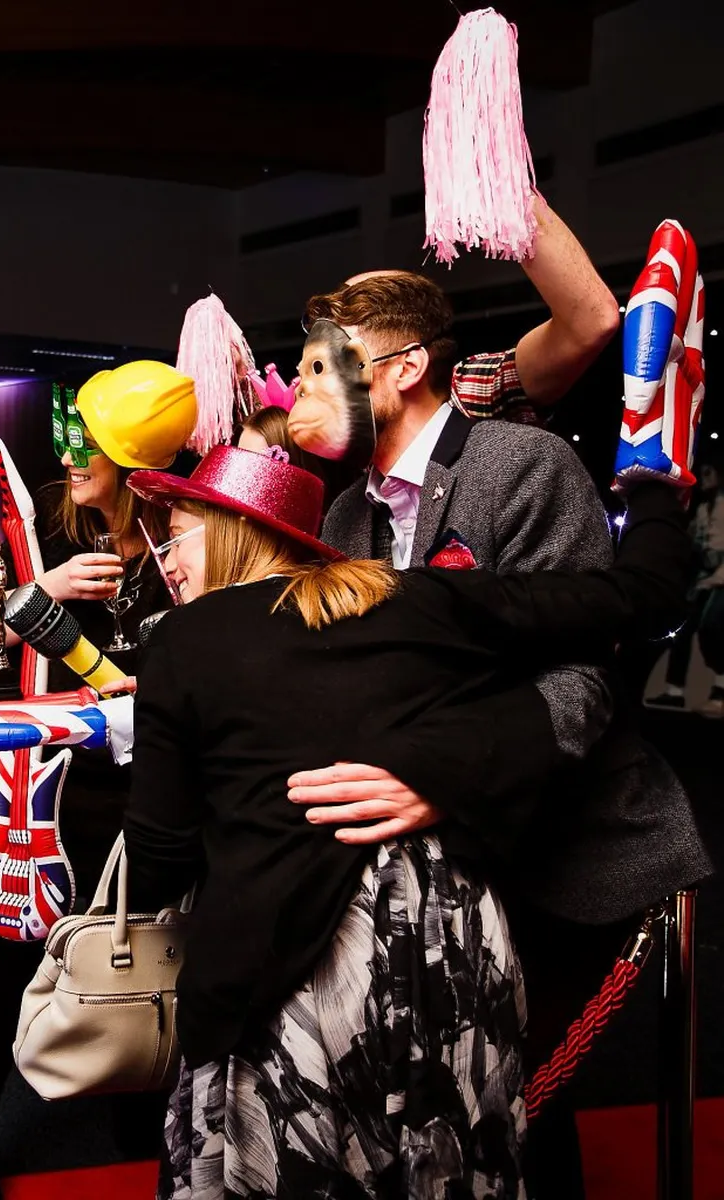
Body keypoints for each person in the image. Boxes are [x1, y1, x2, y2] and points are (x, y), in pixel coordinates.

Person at [120, 444, 694, 1199]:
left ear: (233, 531)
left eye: (176, 537)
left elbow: (157, 859)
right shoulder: (414, 597)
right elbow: (639, 597)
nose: (167, 563)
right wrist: (652, 491)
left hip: (285, 977)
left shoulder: (185, 641)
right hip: (443, 952)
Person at [292, 271, 711, 1197]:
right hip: (430, 860)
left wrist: (450, 779)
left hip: (562, 845)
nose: (300, 391)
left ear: (398, 372)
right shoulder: (344, 514)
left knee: (510, 1095)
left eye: (321, 368)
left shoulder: (519, 464)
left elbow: (584, 680)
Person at [0, 362, 190, 1199]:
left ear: (133, 459)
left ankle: (137, 1108)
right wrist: (38, 592)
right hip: (55, 792)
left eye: (86, 444)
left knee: (147, 951)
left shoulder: (183, 535)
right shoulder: (46, 534)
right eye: (65, 440)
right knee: (9, 960)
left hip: (156, 785)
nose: (68, 457)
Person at [646, 460, 724, 716]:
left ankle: (720, 690)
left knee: (711, 629)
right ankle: (674, 692)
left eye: (709, 471)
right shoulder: (703, 509)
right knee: (682, 631)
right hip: (703, 578)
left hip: (721, 581)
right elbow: (693, 545)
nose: (705, 476)